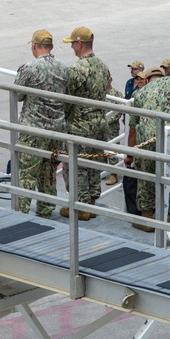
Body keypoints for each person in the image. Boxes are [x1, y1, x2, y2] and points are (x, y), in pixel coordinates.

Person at [126, 67, 170, 231]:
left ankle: (147, 220)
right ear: (162, 76)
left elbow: (133, 129)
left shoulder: (140, 93)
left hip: (148, 139)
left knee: (146, 177)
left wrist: (130, 154)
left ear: (148, 79)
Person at [13, 30, 68, 219]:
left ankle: (21, 213)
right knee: (48, 172)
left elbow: (18, 95)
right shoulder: (63, 68)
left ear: (34, 46)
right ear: (51, 47)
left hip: (33, 130)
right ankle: (45, 212)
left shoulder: (29, 68)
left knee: (27, 173)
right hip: (56, 130)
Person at [62, 27, 111, 219]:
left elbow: (67, 98)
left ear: (80, 44)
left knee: (77, 165)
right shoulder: (102, 66)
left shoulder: (77, 69)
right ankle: (91, 202)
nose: (72, 47)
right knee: (93, 162)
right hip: (99, 122)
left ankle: (81, 206)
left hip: (80, 124)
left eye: (73, 43)